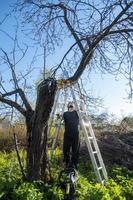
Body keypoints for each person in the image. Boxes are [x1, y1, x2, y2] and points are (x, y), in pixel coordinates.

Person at [63, 102, 80, 168]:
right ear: (68, 106)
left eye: (72, 105)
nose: (71, 106)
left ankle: (74, 164)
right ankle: (67, 163)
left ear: (74, 107)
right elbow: (62, 120)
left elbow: (81, 110)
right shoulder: (65, 113)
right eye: (70, 105)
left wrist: (81, 101)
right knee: (65, 148)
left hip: (75, 133)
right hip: (67, 133)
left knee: (75, 149)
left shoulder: (77, 113)